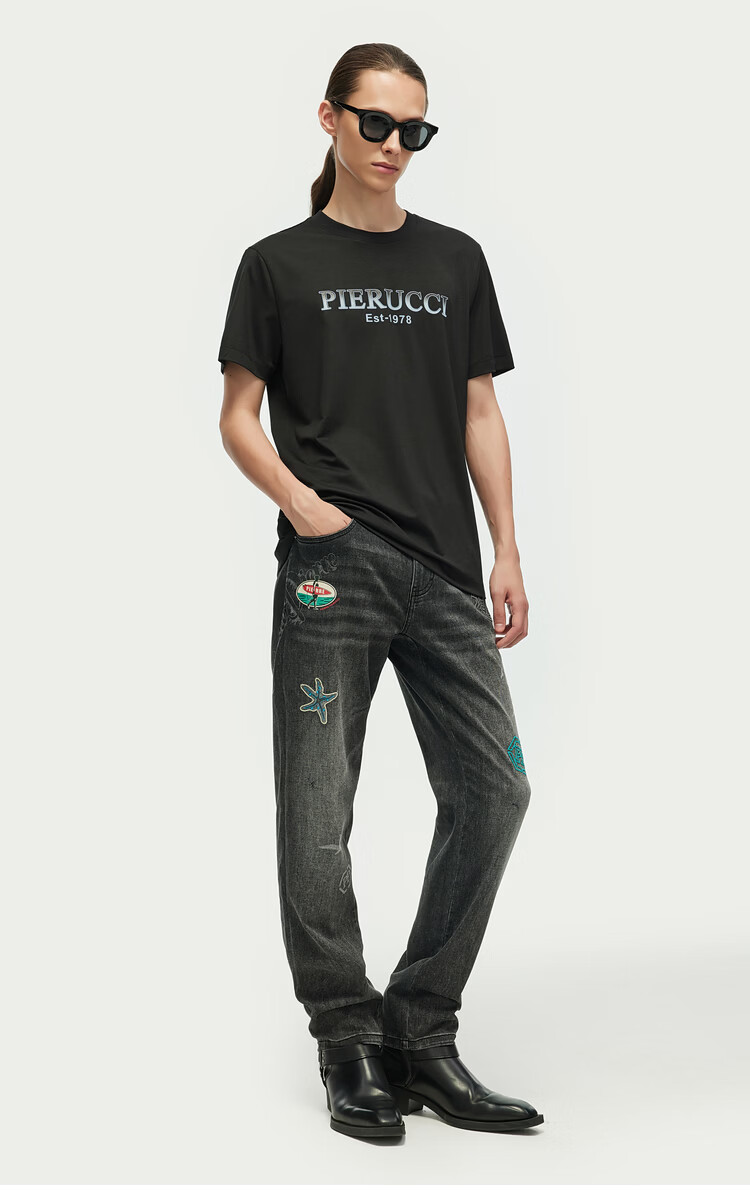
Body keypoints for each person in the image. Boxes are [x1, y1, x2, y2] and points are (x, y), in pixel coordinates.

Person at [217, 42, 543, 1142]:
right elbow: (237, 417)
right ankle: (347, 1039)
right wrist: (303, 505)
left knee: (496, 790)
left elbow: (480, 412)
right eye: (377, 124)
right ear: (330, 119)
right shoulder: (276, 265)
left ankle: (420, 1027)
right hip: (333, 572)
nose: (396, 146)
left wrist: (506, 548)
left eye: (416, 130)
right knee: (319, 815)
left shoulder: (455, 259)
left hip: (447, 569)